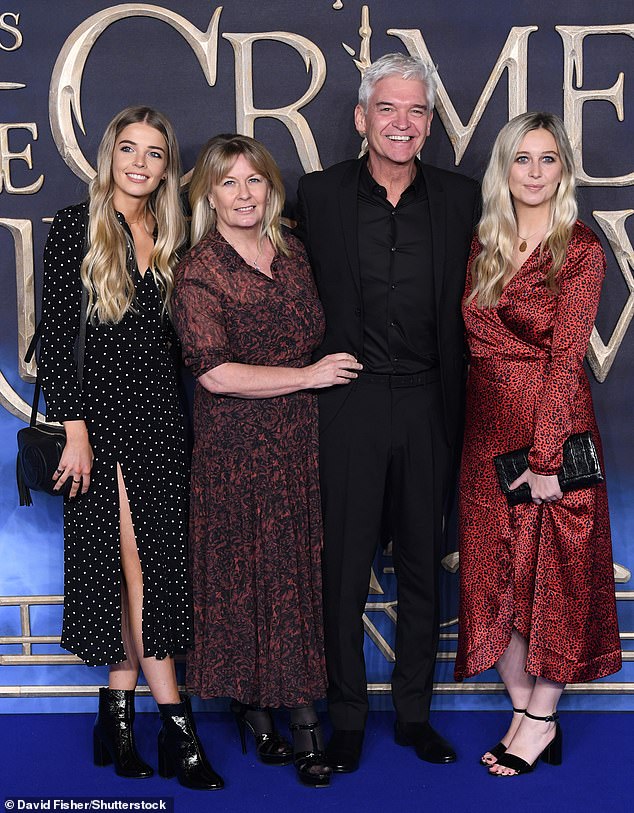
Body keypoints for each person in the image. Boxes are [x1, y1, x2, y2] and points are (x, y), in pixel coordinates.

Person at [296, 52, 480, 771]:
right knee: (341, 570)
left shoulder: (462, 199)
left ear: (430, 125)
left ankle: (413, 714)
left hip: (431, 399)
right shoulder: (318, 196)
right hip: (351, 401)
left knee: (422, 568)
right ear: (361, 118)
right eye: (387, 109)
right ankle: (347, 716)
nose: (401, 123)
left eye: (415, 111)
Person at [38, 106, 223, 791]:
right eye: (127, 148)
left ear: (166, 165)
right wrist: (76, 430)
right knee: (139, 566)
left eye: (152, 153)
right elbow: (55, 344)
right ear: (108, 154)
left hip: (164, 423)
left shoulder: (174, 236)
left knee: (141, 571)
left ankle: (115, 718)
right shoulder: (74, 228)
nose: (139, 163)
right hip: (104, 426)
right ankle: (181, 732)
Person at [171, 133, 360, 788]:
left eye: (254, 180)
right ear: (209, 196)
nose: (244, 193)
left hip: (301, 442)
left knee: (297, 575)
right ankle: (299, 720)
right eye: (229, 183)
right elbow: (216, 375)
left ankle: (259, 707)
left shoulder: (294, 253)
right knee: (251, 577)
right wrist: (308, 375)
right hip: (236, 450)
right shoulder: (199, 269)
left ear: (270, 188)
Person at [454, 112, 622, 776]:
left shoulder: (579, 249)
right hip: (484, 434)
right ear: (504, 168)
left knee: (556, 578)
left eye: (547, 159)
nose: (533, 171)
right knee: (494, 579)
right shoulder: (484, 242)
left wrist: (548, 458)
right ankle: (528, 711)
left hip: (551, 431)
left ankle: (540, 719)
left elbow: (564, 362)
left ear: (563, 170)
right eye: (521, 158)